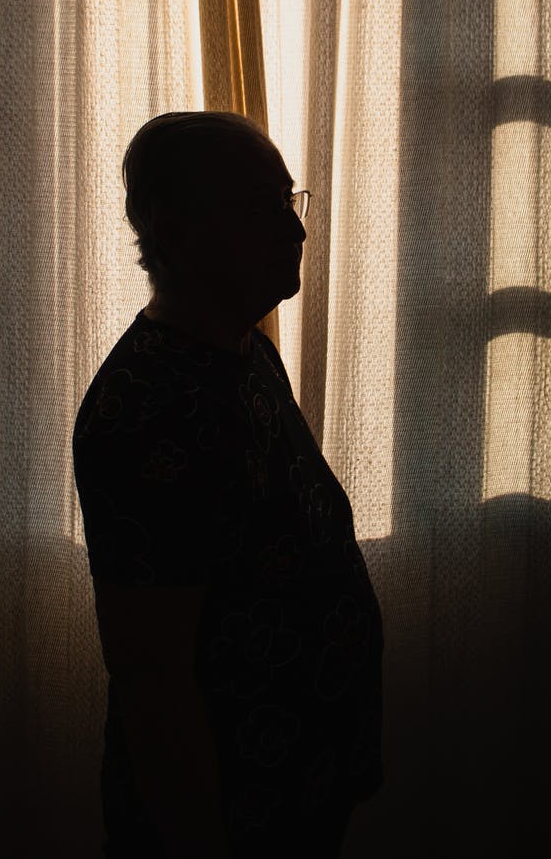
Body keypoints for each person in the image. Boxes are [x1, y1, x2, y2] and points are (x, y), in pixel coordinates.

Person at [73, 111, 383, 859]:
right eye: (259, 207)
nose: (295, 231)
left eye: (289, 200)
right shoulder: (151, 408)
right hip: (228, 819)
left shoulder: (242, 352)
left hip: (295, 795)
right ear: (170, 228)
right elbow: (154, 681)